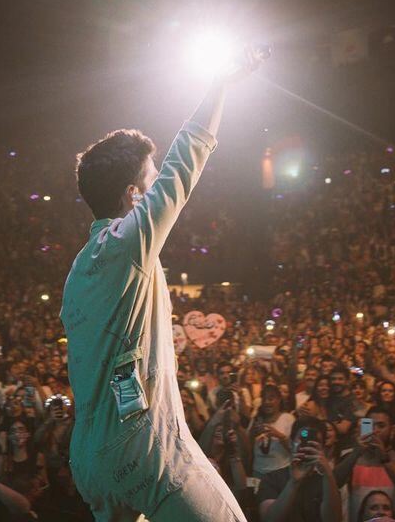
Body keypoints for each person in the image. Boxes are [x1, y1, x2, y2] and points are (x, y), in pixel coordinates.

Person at [61, 57, 260, 522]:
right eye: (147, 185)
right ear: (133, 195)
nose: (153, 192)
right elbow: (184, 164)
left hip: (89, 460)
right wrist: (220, 84)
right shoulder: (126, 242)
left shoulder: (78, 270)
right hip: (143, 447)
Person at [257, 417, 342, 522]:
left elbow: (334, 520)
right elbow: (269, 520)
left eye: (315, 442)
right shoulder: (271, 479)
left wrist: (328, 474)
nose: (307, 445)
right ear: (291, 443)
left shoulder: (326, 483)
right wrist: (294, 483)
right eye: (302, 439)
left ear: (323, 448)